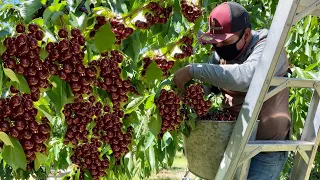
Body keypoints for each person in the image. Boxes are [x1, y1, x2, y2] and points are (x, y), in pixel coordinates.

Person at [173, 2, 291, 180]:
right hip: (230, 144)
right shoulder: (220, 55)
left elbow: (247, 78)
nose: (219, 48)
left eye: (225, 42)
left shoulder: (269, 46)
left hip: (264, 149)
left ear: (246, 34)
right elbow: (204, 90)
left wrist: (193, 70)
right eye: (215, 43)